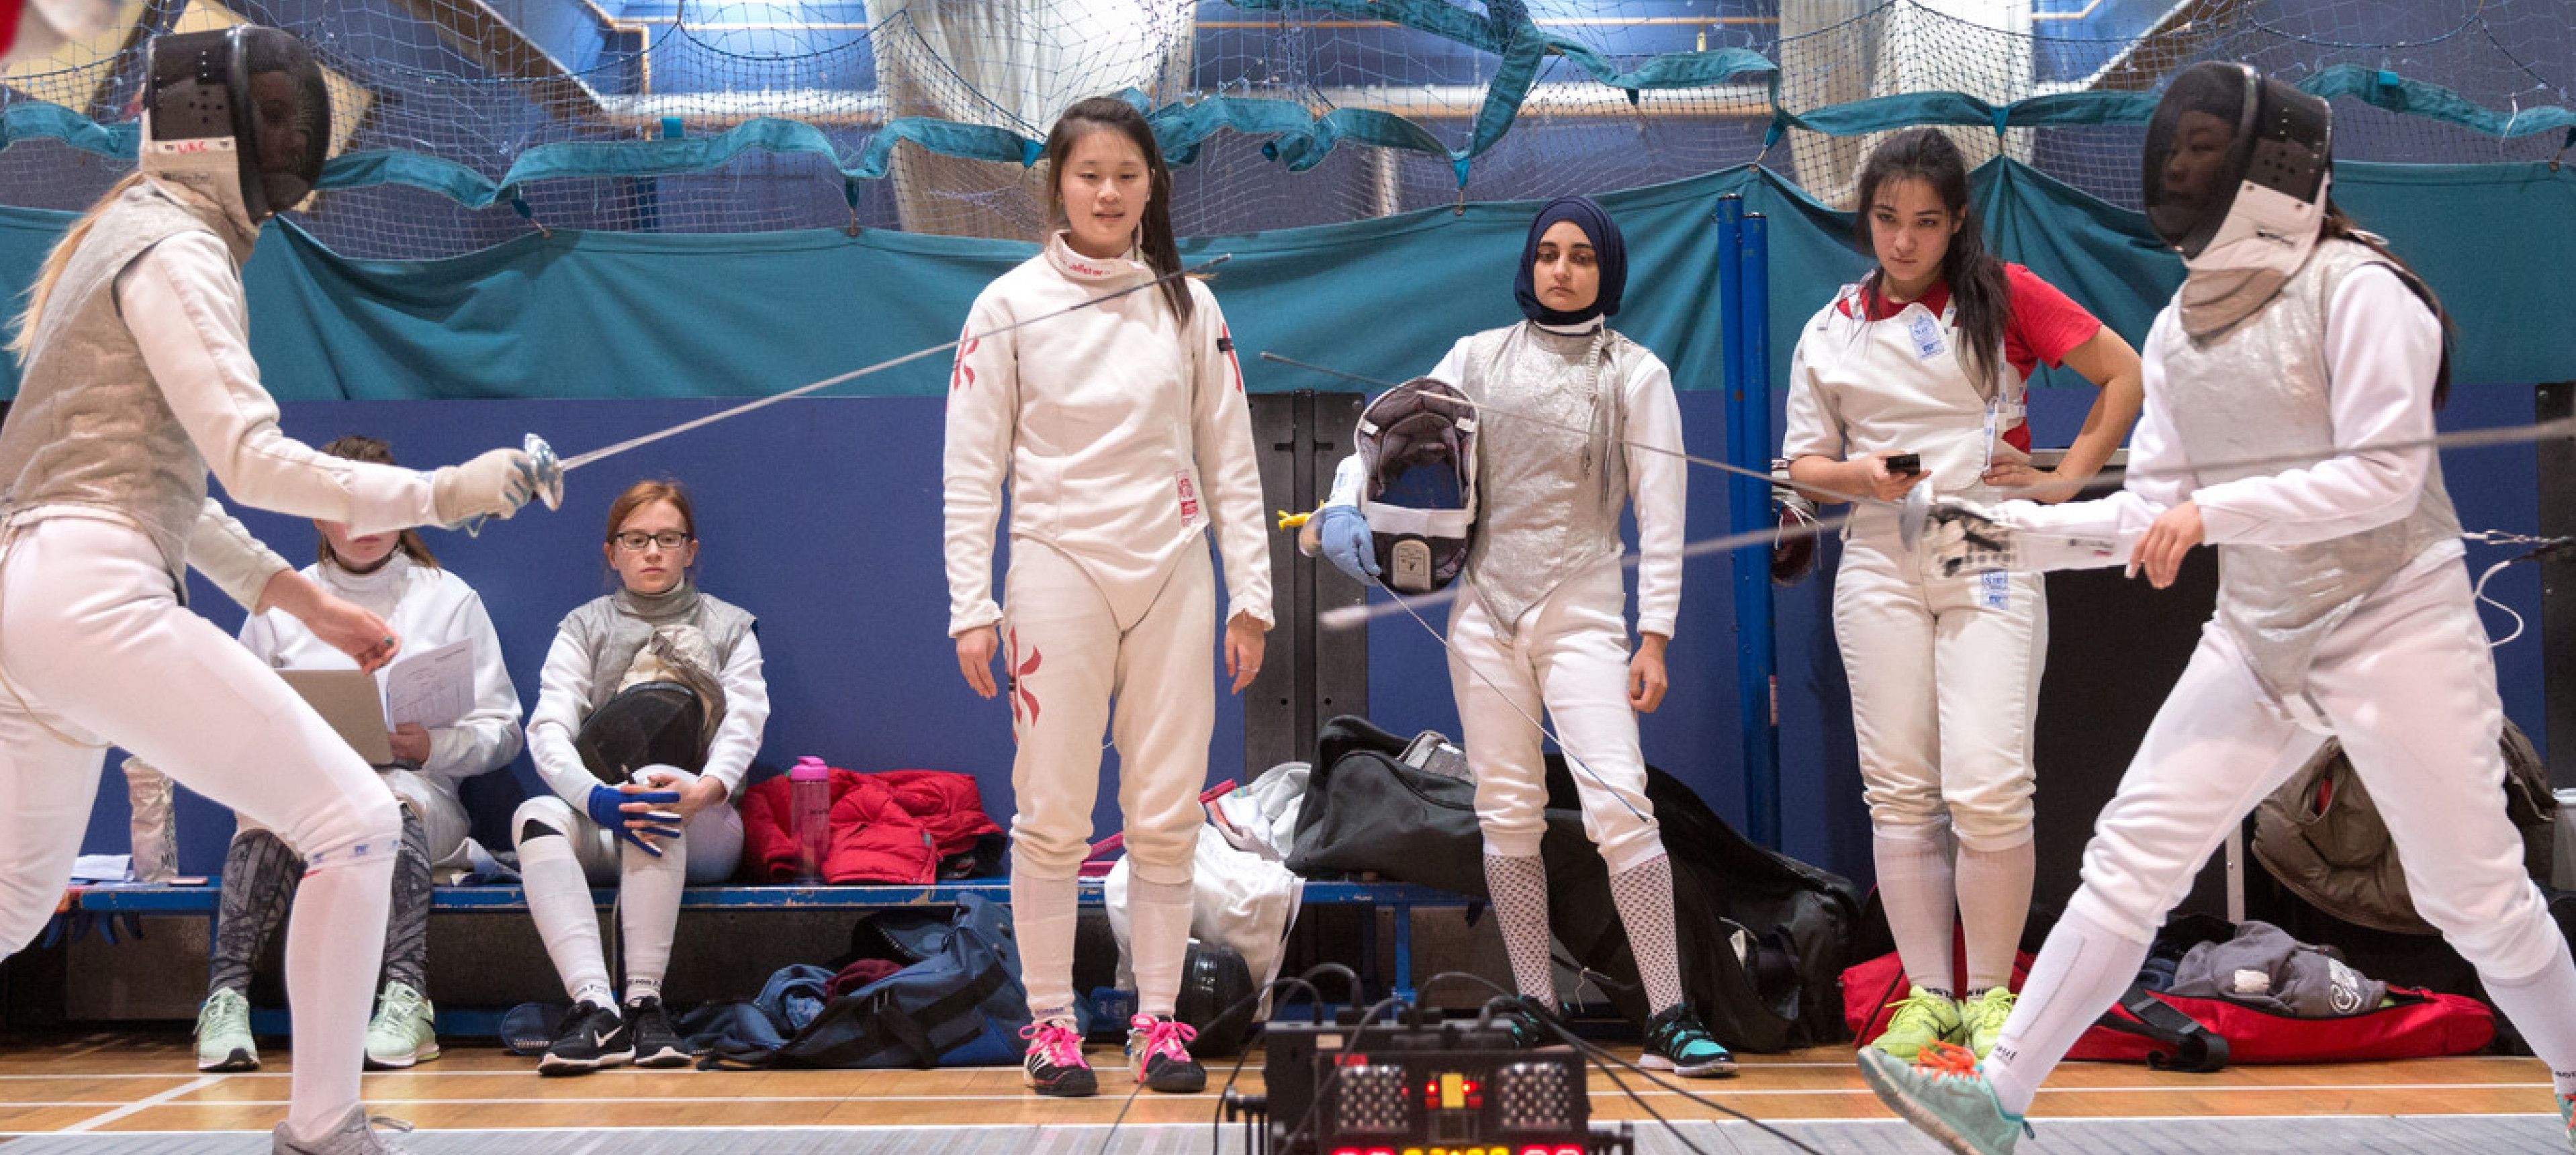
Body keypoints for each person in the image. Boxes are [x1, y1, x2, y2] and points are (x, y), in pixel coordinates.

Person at [1858, 63, 2576, 1155]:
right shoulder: (2181, 334)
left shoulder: (2365, 292)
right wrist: (2004, 534)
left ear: (2273, 170)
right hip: (2262, 634)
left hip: (2397, 623)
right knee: (2131, 854)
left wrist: (2208, 516)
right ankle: (1997, 1095)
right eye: (2177, 148)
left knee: (2470, 897)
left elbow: (2379, 481)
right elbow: (2148, 512)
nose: (2184, 165)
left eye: (2206, 146)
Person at [0, 26, 549, 1154]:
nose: (298, 141)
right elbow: (249, 459)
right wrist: (447, 490)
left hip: (34, 598)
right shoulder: (176, 248)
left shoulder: (119, 237)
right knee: (355, 825)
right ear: (229, 127)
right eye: (286, 118)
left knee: (9, 908)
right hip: (94, 597)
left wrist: (304, 607)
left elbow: (174, 493)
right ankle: (325, 1128)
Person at [1317, 195, 1735, 1077]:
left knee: (1619, 804)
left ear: (1605, 270)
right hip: (1484, 614)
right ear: (1530, 263)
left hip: (1582, 609)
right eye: (1549, 252)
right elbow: (1385, 429)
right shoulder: (1476, 358)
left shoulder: (1636, 373)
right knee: (1506, 813)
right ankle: (1535, 1007)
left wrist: (1653, 636)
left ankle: (1670, 1011)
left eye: (1582, 256)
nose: (1562, 269)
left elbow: (1665, 517)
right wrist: (1341, 501)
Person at [1779, 127, 2142, 1060]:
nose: (1903, 241)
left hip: (1981, 538)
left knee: (1987, 784)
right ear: (1866, 218)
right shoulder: (1831, 328)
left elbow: (2125, 375)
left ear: (1955, 225)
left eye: (1925, 223)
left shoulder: (2004, 296)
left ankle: (1988, 995)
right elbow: (1805, 467)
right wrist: (1857, 477)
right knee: (1899, 790)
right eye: (1888, 220)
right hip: (1877, 555)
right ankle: (1927, 998)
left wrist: (2067, 481)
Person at [944, 95, 1271, 1099]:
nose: (1109, 192)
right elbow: (970, 466)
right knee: (1050, 814)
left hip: (1173, 565)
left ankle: (1159, 1019)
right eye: (1090, 174)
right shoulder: (1007, 305)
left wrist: (1249, 592)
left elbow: (1231, 458)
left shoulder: (1188, 306)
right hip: (1055, 569)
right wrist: (972, 602)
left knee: (1167, 813)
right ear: (1058, 183)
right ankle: (1050, 1025)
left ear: (1150, 187)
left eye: (1127, 176)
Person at [175, 435, 522, 1074]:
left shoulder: (449, 598)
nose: (365, 526)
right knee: (264, 817)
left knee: (389, 806)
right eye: (345, 508)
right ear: (315, 516)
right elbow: (237, 718)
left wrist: (433, 746)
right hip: (307, 791)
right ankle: (225, 1000)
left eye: (379, 507)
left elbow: (504, 728)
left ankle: (407, 999)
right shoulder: (284, 603)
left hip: (419, 795)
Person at [514, 479, 765, 1076]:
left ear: (690, 549)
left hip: (702, 824)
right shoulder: (583, 626)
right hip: (609, 815)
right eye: (636, 539)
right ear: (613, 552)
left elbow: (746, 723)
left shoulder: (730, 626)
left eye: (667, 538)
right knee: (534, 817)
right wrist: (594, 798)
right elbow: (548, 727)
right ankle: (596, 1008)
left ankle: (645, 1002)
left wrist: (705, 789)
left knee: (656, 782)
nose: (652, 551)